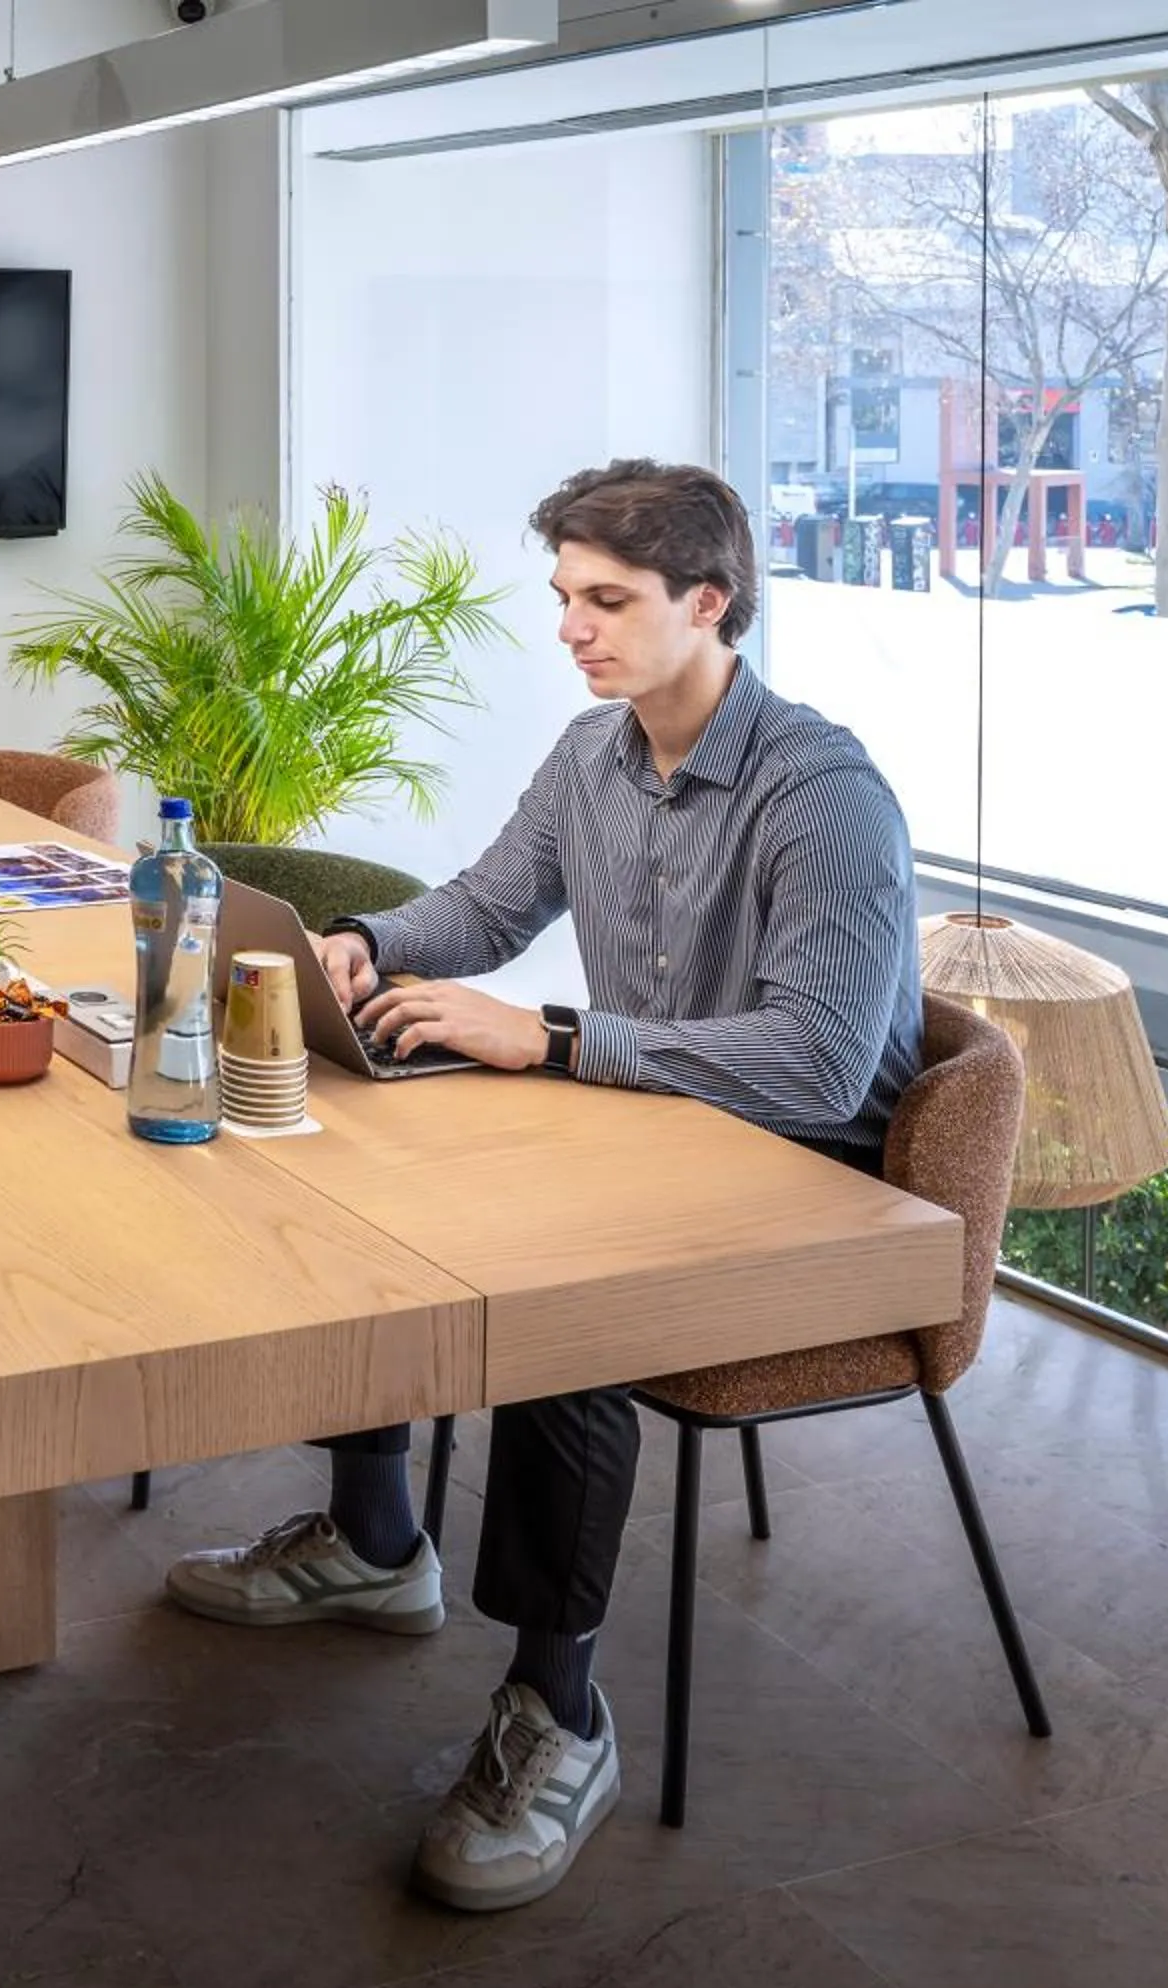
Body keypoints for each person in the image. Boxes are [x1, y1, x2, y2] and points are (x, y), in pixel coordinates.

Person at [166, 460, 919, 1912]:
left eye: (610, 601)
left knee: (555, 1302)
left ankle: (557, 1710)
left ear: (712, 603)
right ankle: (379, 1538)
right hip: (647, 1125)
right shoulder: (597, 752)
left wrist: (560, 1036)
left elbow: (822, 1071)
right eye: (566, 597)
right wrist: (373, 944)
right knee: (360, 1163)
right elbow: (493, 903)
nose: (573, 628)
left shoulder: (823, 795)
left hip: (803, 1179)